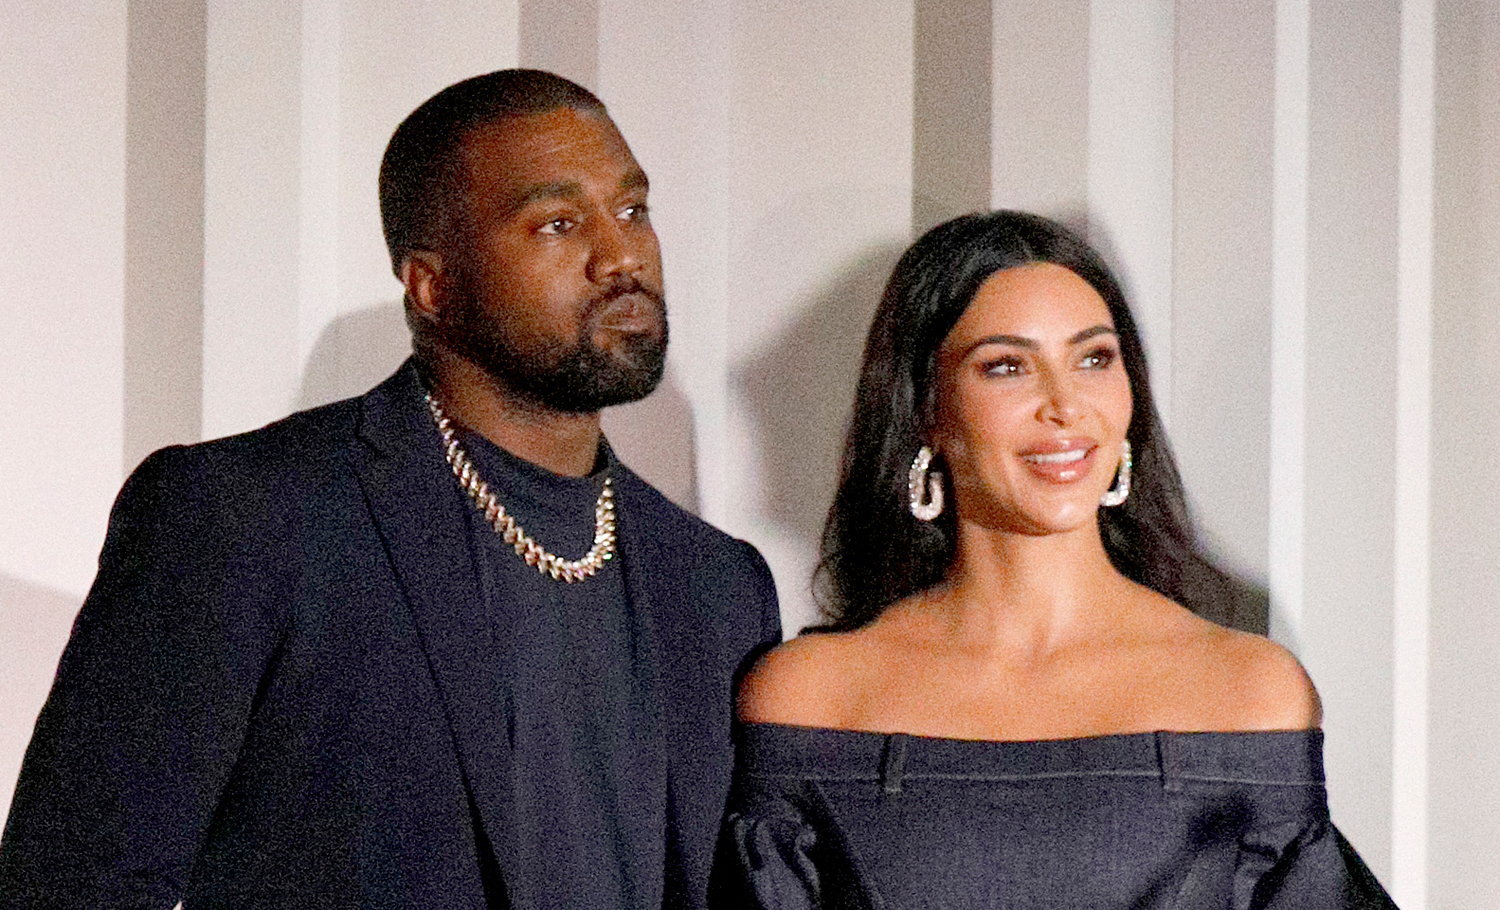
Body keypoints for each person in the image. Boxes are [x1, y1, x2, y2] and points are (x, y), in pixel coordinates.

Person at [0, 70, 780, 909]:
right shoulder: (243, 519)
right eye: (558, 223)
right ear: (432, 286)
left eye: (632, 210)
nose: (621, 254)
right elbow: (73, 885)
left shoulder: (716, 586)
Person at [710, 211, 1395, 909]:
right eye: (1007, 367)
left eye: (1094, 359)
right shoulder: (810, 696)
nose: (1065, 406)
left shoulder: (1250, 693)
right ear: (927, 411)